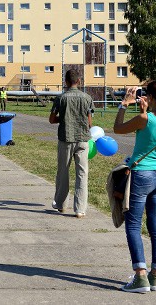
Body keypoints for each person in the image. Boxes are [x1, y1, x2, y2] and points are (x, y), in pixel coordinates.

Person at [113, 80, 156, 293]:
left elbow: (118, 128)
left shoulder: (145, 119)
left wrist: (124, 104)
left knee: (133, 225)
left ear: (152, 97)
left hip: (141, 176)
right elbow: (151, 134)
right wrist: (145, 110)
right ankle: (155, 276)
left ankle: (140, 276)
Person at [49, 69, 93, 217]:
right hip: (82, 140)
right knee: (82, 174)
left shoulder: (61, 98)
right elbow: (89, 122)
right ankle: (80, 209)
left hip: (65, 139)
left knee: (63, 172)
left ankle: (61, 204)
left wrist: (63, 119)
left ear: (66, 82)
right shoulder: (87, 98)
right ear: (79, 81)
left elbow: (51, 119)